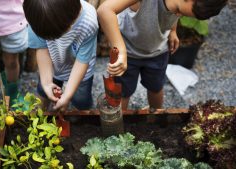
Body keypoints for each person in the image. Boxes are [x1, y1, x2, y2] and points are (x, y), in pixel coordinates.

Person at [97, 0, 227, 110]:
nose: (178, 15)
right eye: (179, 11)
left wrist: (173, 31)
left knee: (156, 87)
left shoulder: (180, 5)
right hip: (127, 55)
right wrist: (120, 49)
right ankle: (121, 124)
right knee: (123, 93)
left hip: (158, 53)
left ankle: (156, 118)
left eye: (181, 14)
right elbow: (105, 10)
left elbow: (173, 14)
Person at [23, 0, 98, 112]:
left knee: (80, 98)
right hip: (53, 63)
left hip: (81, 68)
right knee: (44, 90)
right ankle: (42, 110)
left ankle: (80, 113)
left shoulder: (89, 22)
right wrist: (47, 83)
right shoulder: (36, 16)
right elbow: (42, 49)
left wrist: (67, 95)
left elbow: (82, 61)